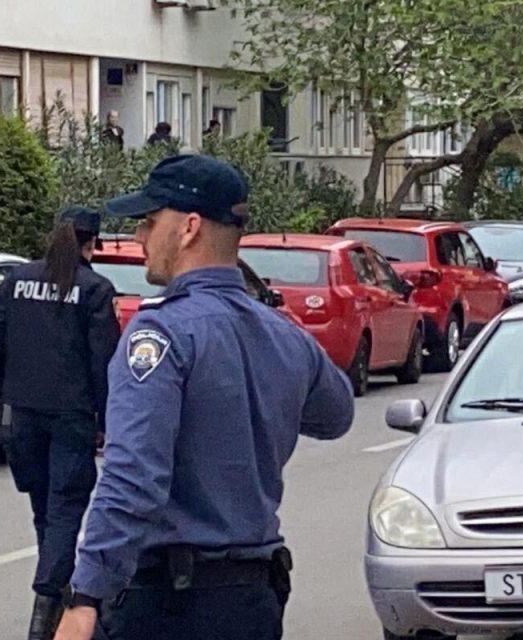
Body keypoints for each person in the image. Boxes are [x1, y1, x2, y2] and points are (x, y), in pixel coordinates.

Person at [54, 155, 355, 640]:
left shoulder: (161, 333)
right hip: (253, 600)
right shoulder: (281, 333)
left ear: (189, 227)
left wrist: (85, 596)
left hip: (170, 605)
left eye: (150, 222)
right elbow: (336, 413)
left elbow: (133, 477)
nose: (139, 238)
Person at [0, 206, 121, 640]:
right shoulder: (95, 288)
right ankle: (45, 613)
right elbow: (104, 361)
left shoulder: (16, 281)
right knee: (64, 511)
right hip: (71, 418)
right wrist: (106, 416)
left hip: (23, 414)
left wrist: (11, 381)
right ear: (91, 243)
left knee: (45, 509)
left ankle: (55, 593)